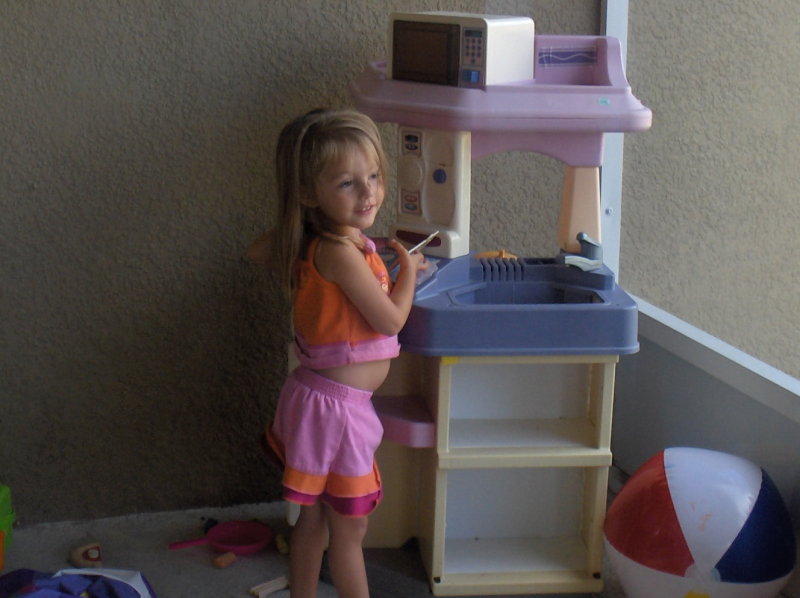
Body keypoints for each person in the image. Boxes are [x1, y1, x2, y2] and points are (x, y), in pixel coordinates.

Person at [248, 108, 427, 598]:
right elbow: (391, 320)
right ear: (308, 194)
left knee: (313, 521)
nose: (368, 193)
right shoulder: (340, 251)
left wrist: (303, 223)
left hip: (315, 399)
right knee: (350, 532)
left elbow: (260, 250)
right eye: (347, 183)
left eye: (373, 176)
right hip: (339, 414)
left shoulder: (327, 244)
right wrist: (409, 272)